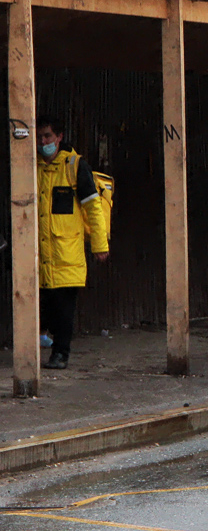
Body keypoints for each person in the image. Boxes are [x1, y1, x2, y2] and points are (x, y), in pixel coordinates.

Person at [36, 116, 109, 370]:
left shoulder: (75, 167)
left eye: (47, 136)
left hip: (66, 253)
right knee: (44, 307)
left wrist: (100, 245)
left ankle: (60, 354)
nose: (42, 141)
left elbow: (93, 208)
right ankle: (48, 346)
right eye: (40, 136)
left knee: (64, 310)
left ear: (59, 137)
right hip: (39, 254)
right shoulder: (31, 168)